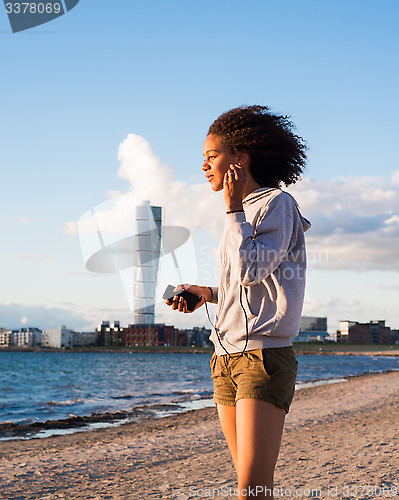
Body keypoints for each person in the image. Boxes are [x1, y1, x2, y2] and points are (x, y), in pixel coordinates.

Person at [165, 105, 310, 499]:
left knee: (252, 488)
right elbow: (246, 284)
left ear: (240, 158)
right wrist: (208, 295)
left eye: (212, 156)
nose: (204, 166)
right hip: (225, 358)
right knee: (252, 486)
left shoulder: (276, 204)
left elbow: (252, 269)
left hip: (263, 358)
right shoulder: (244, 213)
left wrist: (232, 209)